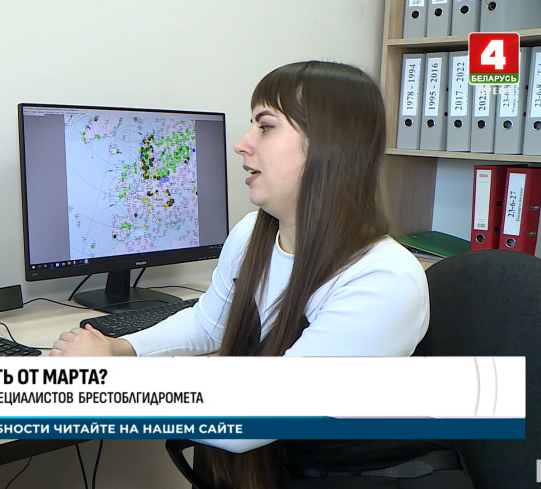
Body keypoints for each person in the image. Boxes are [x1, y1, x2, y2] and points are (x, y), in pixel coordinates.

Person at [50, 61, 474, 489]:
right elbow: (208, 323)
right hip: (286, 468)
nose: (242, 144)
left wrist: (112, 381)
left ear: (329, 145)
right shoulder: (254, 233)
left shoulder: (382, 280)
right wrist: (120, 348)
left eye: (266, 127)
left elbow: (253, 419)